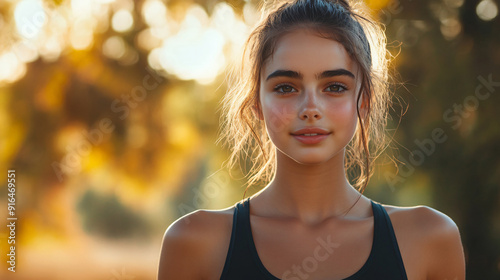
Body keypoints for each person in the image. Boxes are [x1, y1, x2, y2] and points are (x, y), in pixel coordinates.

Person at [157, 0, 466, 279]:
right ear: (256, 105)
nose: (310, 109)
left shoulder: (429, 239)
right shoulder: (193, 242)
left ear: (363, 102)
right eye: (285, 87)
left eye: (334, 87)